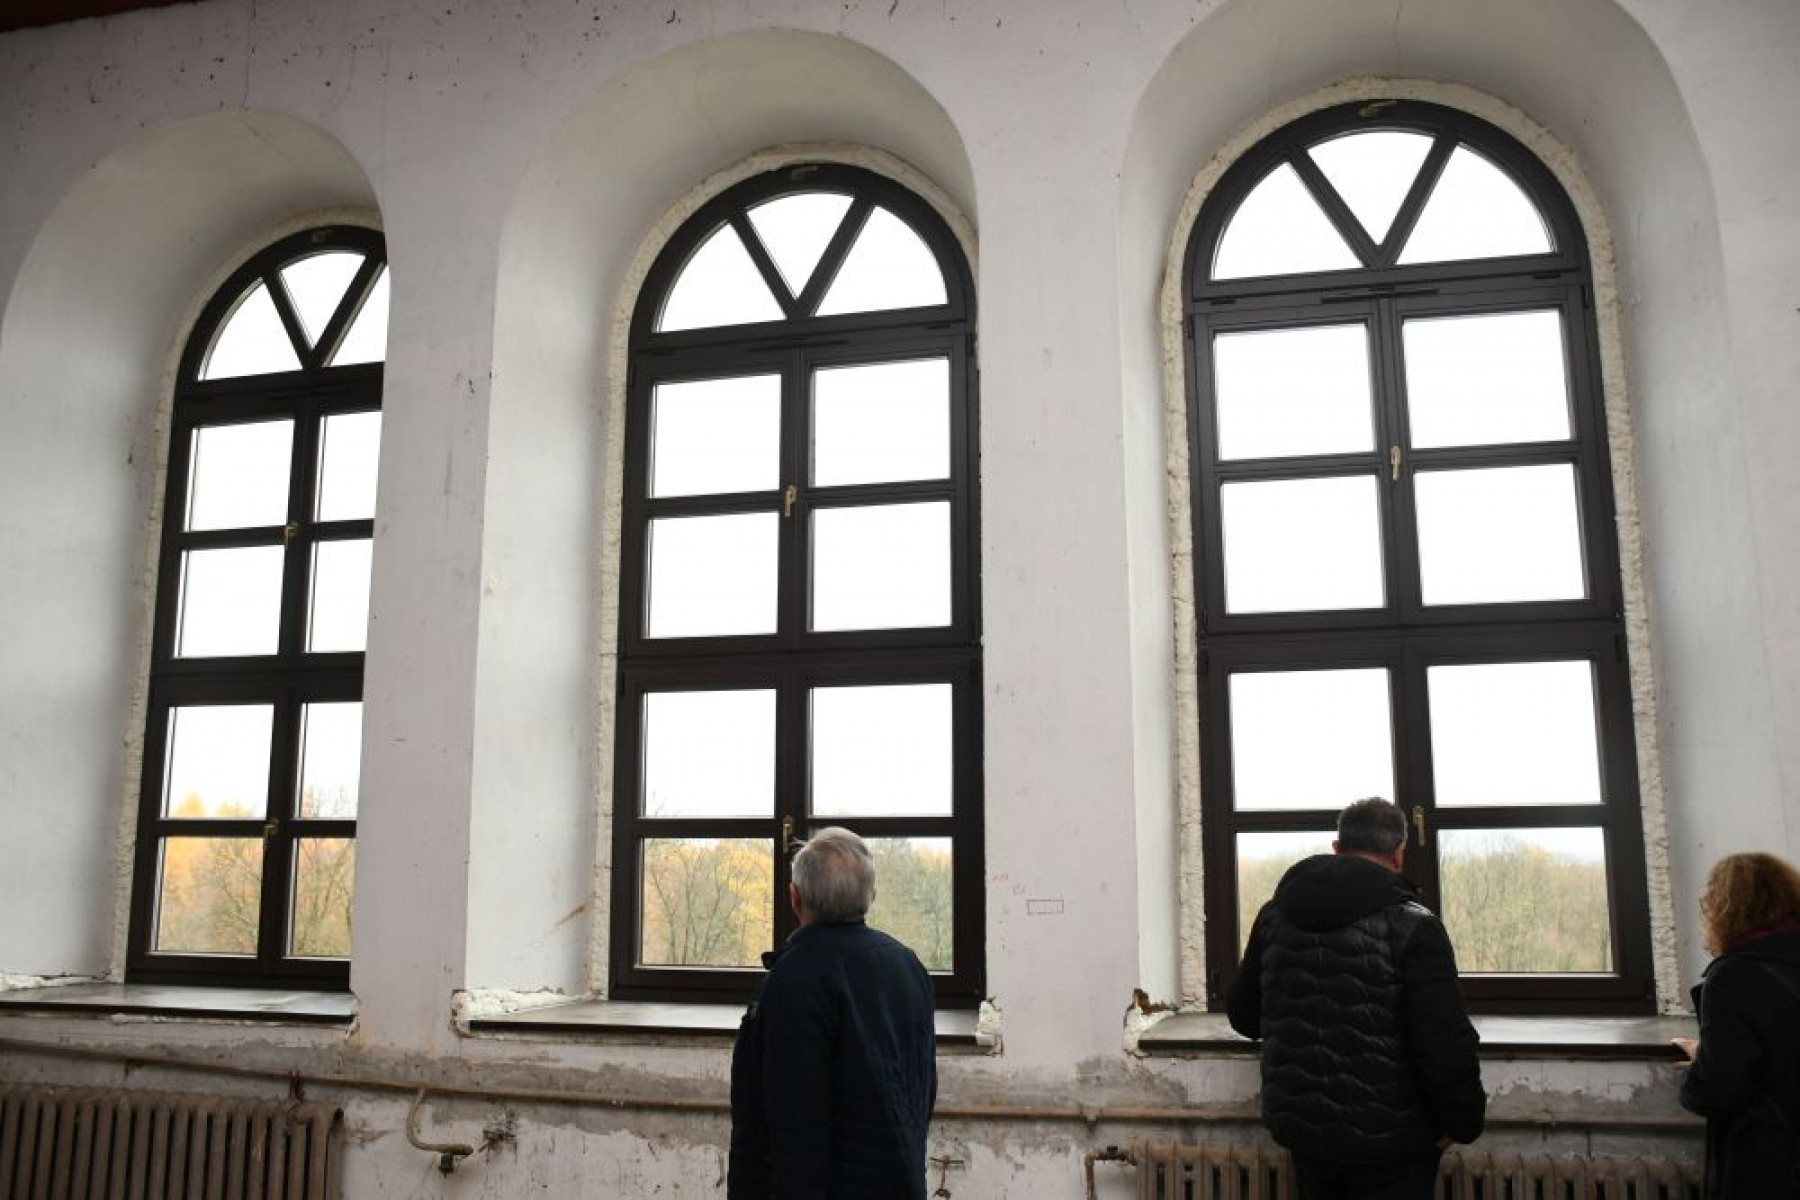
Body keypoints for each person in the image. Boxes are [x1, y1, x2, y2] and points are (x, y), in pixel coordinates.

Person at [1228, 797, 1486, 1199]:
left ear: (1337, 848)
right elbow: (1443, 1044)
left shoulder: (1274, 916)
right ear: (1399, 854)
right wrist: (1463, 1124)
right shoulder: (1414, 926)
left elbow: (1245, 1017)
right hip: (1394, 1148)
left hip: (1306, 1137)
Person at [728, 826, 937, 1199]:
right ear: (872, 895)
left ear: (794, 897)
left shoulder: (794, 979)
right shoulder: (908, 966)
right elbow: (923, 1091)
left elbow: (793, 1128)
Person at [1672, 852, 1800, 1197]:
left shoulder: (1733, 976)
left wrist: (1699, 1064)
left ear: (1723, 909)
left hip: (1772, 1165)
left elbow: (1716, 1091)